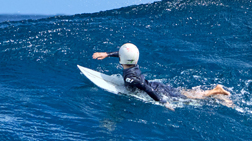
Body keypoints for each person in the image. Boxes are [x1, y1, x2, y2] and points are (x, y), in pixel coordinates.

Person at [92, 43, 232, 107]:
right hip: (157, 85)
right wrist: (107, 54)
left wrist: (163, 102)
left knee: (189, 99)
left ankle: (216, 91)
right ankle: (215, 92)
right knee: (187, 94)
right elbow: (124, 55)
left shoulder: (130, 77)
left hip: (155, 90)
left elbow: (146, 89)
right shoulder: (131, 64)